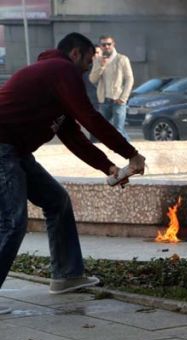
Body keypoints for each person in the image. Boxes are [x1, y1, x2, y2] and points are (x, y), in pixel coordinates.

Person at [0, 32, 146, 314]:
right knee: (11, 222)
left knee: (57, 201)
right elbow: (90, 116)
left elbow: (74, 137)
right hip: (2, 147)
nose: (90, 67)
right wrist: (130, 153)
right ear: (76, 53)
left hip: (14, 150)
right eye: (90, 59)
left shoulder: (54, 82)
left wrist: (110, 167)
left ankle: (67, 276)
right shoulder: (61, 69)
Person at [89, 35, 134, 140]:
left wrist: (123, 98)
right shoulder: (98, 60)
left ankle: (131, 151)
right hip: (104, 101)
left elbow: (129, 79)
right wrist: (101, 66)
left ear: (113, 45)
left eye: (109, 44)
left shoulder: (122, 59)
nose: (106, 47)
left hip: (118, 100)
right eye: (104, 45)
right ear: (101, 46)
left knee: (118, 130)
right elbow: (92, 79)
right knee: (103, 129)